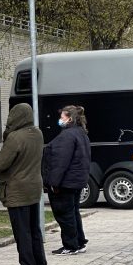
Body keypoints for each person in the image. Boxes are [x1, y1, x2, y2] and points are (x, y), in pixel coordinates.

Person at [0, 103, 47, 265]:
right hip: (34, 186)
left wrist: (3, 141)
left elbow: (0, 163)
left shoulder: (15, 137)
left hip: (17, 189)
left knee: (21, 230)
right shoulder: (37, 134)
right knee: (34, 228)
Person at [43, 105, 91, 255]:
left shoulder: (67, 136)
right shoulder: (81, 133)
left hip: (66, 182)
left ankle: (71, 245)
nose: (60, 119)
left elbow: (60, 162)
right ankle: (79, 241)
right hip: (76, 180)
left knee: (65, 214)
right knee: (73, 212)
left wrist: (53, 183)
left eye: (62, 117)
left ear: (69, 118)